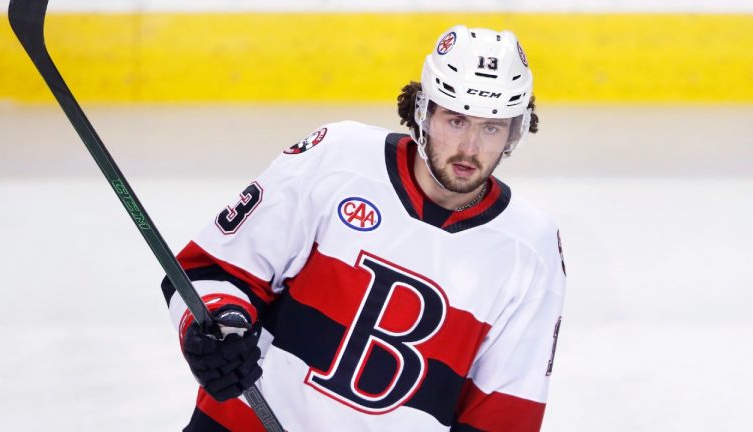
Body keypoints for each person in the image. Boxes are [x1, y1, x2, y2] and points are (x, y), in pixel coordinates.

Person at [162, 24, 566, 432]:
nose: (470, 148)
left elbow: (505, 412)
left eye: (491, 127)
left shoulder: (529, 248)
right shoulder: (337, 158)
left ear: (515, 130)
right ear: (423, 112)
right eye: (456, 121)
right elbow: (214, 267)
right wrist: (220, 326)